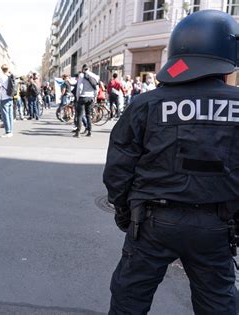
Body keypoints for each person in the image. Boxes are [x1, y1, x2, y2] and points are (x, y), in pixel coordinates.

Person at [103, 10, 239, 314]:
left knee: (129, 300)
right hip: (216, 224)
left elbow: (118, 167)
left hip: (153, 223)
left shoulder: (146, 103)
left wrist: (125, 211)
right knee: (218, 302)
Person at [74, 65, 98, 137]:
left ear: (82, 69)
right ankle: (89, 131)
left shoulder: (81, 75)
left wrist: (77, 97)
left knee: (80, 115)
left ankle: (78, 132)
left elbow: (79, 87)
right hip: (91, 97)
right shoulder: (94, 76)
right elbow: (96, 87)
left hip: (83, 96)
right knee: (88, 115)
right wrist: (94, 97)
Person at [0, 64, 14, 137]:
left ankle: (8, 132)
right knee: (10, 115)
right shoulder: (10, 76)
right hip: (10, 96)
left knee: (5, 115)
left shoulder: (1, 76)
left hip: (4, 97)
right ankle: (11, 131)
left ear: (2, 69)